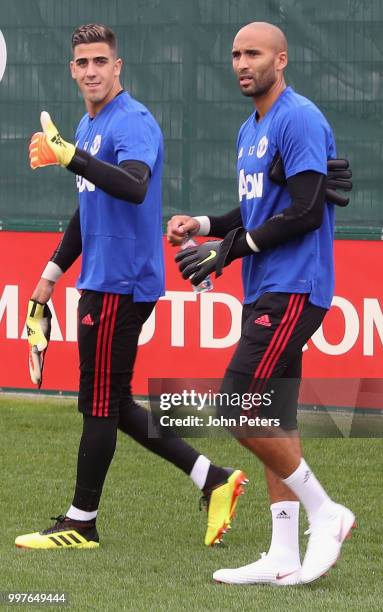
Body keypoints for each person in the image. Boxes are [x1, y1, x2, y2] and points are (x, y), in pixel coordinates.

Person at [16, 23, 248, 551]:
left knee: (97, 404)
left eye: (101, 61)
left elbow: (135, 184)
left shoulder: (133, 121)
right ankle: (213, 478)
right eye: (83, 63)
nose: (92, 71)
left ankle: (81, 523)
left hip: (123, 285)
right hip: (101, 280)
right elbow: (89, 208)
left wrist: (71, 155)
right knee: (113, 402)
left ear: (117, 66)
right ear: (72, 70)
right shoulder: (86, 122)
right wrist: (49, 279)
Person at [167, 22, 355, 585]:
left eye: (253, 53)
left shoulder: (297, 116)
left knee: (234, 405)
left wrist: (228, 250)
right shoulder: (250, 128)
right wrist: (203, 224)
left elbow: (302, 212)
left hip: (296, 286)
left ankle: (326, 513)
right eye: (235, 54)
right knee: (274, 417)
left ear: (282, 58)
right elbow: (254, 212)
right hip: (265, 285)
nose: (242, 63)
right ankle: (282, 552)